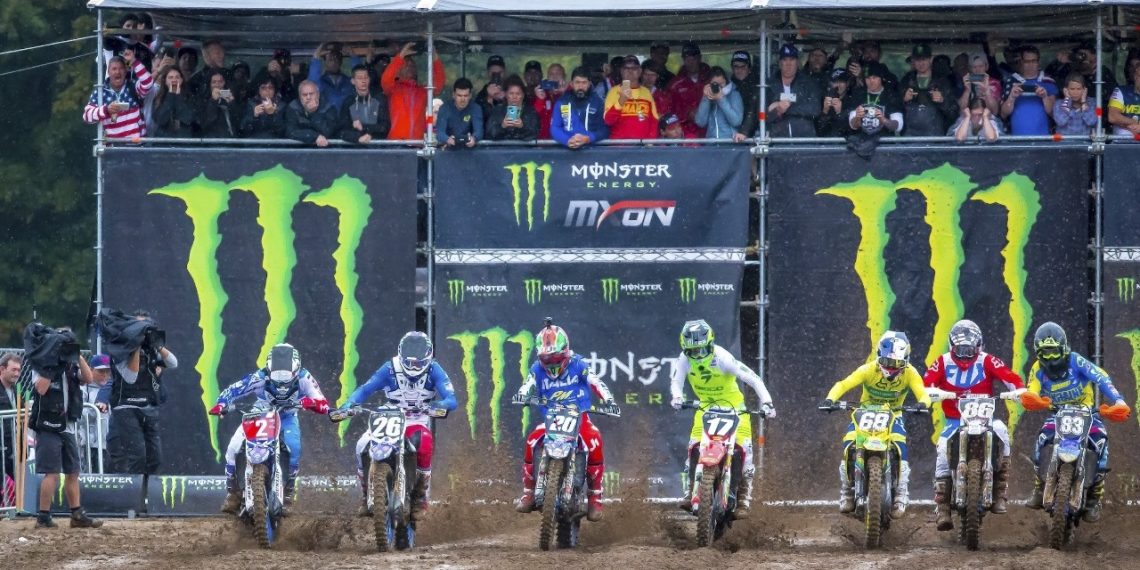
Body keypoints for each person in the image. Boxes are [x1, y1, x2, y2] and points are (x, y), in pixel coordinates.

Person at [338, 332, 457, 519]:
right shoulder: (389, 368)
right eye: (409, 363)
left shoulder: (435, 370)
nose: (413, 367)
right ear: (401, 355)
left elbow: (451, 399)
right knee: (361, 445)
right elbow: (365, 389)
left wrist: (438, 405)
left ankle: (420, 497)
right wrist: (349, 405)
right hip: (390, 414)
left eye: (418, 364)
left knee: (424, 442)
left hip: (417, 418)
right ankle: (366, 494)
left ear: (427, 357)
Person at [1020, 322, 1130, 523]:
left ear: (1063, 348)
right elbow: (1032, 389)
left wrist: (1118, 401)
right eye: (1045, 353)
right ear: (1038, 352)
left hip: (1087, 413)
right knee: (1041, 440)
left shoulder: (1075, 360)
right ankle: (1038, 488)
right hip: (1057, 414)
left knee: (1101, 441)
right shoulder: (1037, 368)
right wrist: (1032, 398)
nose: (1050, 358)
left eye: (1054, 352)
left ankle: (1094, 498)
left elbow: (1101, 377)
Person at [923, 319, 1025, 531]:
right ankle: (942, 506)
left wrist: (1019, 391)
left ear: (978, 347)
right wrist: (932, 393)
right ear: (952, 346)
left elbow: (1010, 377)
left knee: (1002, 431)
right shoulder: (942, 362)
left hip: (985, 419)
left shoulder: (988, 360)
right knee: (942, 451)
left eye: (970, 350)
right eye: (960, 350)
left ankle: (1000, 489)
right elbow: (926, 384)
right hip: (954, 421)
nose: (965, 356)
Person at [670, 319, 775, 519]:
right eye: (693, 352)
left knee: (743, 450)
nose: (698, 355)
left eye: (702, 350)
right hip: (705, 407)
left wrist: (767, 403)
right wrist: (676, 397)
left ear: (710, 344)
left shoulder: (723, 357)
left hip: (735, 408)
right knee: (694, 447)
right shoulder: (684, 359)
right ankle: (691, 492)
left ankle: (743, 499)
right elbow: (676, 382)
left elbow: (753, 378)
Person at [513, 321, 616, 521]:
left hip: (579, 417)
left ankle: (595, 498)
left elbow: (596, 382)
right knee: (532, 440)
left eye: (555, 358)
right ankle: (529, 492)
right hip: (551, 419)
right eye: (546, 358)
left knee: (594, 440)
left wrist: (609, 400)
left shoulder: (579, 364)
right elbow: (528, 384)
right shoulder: (537, 368)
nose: (551, 362)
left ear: (566, 352)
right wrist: (522, 395)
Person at [820, 331, 930, 518]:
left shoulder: (910, 372)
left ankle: (901, 493)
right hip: (865, 412)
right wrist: (830, 399)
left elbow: (923, 393)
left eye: (897, 363)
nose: (891, 368)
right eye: (887, 362)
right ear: (879, 357)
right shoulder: (868, 370)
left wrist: (922, 404)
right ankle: (846, 491)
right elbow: (843, 384)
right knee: (849, 443)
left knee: (900, 446)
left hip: (894, 414)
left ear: (906, 361)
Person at [210, 343, 329, 514]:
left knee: (294, 449)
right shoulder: (259, 377)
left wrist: (310, 402)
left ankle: (288, 495)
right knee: (233, 448)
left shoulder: (305, 378)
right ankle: (232, 493)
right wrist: (221, 404)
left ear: (296, 371)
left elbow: (324, 404)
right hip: (260, 413)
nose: (281, 383)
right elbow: (233, 390)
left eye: (286, 377)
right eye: (276, 376)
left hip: (287, 416)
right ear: (268, 369)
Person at [26, 325, 102, 528]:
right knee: (51, 472)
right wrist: (53, 362)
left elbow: (89, 378)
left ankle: (77, 514)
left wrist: (76, 355)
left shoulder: (71, 365)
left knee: (73, 471)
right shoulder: (42, 364)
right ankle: (43, 516)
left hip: (67, 425)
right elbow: (41, 389)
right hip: (48, 425)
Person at [96, 312, 177, 477]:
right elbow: (131, 377)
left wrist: (157, 345)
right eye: (138, 328)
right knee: (137, 456)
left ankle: (148, 490)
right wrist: (136, 346)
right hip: (126, 407)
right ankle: (135, 491)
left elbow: (173, 363)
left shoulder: (151, 350)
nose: (142, 332)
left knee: (155, 458)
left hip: (148, 406)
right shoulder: (120, 351)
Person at [381, 42, 446, 140]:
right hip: (396, 143)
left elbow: (439, 85)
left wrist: (435, 58)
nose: (410, 67)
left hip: (416, 144)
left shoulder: (422, 91)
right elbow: (385, 79)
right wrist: (401, 55)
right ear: (398, 71)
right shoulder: (393, 89)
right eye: (406, 65)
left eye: (412, 65)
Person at [83, 52, 153, 140]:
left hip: (136, 143)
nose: (118, 72)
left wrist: (134, 62)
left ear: (125, 71)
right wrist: (106, 110)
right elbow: (87, 116)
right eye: (114, 69)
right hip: (112, 145)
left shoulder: (133, 86)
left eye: (121, 68)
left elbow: (148, 83)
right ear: (108, 72)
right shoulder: (100, 92)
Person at [899, 44, 958, 136]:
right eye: (917, 60)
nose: (921, 63)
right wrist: (904, 99)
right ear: (913, 61)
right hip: (910, 136)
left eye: (924, 59)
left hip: (935, 135)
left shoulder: (942, 81)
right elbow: (894, 109)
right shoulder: (906, 80)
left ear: (930, 59)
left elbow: (954, 113)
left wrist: (942, 101)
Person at [765, 44, 822, 138]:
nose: (788, 64)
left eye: (792, 59)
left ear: (797, 62)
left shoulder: (809, 82)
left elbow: (815, 109)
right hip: (777, 138)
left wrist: (784, 108)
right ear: (780, 63)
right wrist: (776, 111)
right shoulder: (768, 84)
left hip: (805, 138)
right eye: (785, 60)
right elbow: (763, 115)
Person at [1000, 45, 1057, 136]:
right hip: (1017, 138)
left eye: (1034, 61)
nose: (1031, 65)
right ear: (1021, 62)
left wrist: (1045, 97)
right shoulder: (1011, 81)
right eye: (1027, 61)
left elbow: (1054, 114)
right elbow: (1003, 114)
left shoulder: (1047, 81)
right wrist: (1012, 97)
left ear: (1038, 62)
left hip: (1043, 138)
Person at [603, 55, 660, 140]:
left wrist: (650, 142)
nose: (630, 71)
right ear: (621, 71)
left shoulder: (646, 92)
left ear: (640, 71)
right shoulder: (613, 92)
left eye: (634, 68)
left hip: (642, 146)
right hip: (619, 146)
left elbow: (654, 121)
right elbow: (608, 121)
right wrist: (621, 101)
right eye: (626, 68)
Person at [551, 67, 608, 149]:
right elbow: (555, 127)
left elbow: (604, 130)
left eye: (584, 83)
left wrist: (588, 138)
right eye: (577, 82)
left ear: (589, 84)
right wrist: (567, 140)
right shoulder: (562, 101)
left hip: (591, 151)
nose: (580, 86)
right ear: (571, 84)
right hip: (566, 151)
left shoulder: (598, 102)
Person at [667, 42, 711, 138]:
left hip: (710, 131)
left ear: (700, 58)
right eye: (687, 59)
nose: (691, 63)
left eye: (694, 59)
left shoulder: (710, 79)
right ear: (683, 60)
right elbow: (670, 110)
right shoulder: (675, 85)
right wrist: (687, 114)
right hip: (686, 134)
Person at [848, 62, 904, 136]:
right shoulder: (858, 95)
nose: (871, 81)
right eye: (868, 78)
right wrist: (857, 118)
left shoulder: (892, 96)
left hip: (884, 140)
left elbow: (898, 126)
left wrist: (884, 120)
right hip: (862, 140)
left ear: (882, 78)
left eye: (874, 77)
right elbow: (853, 126)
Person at [339, 64, 390, 144]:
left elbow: (385, 127)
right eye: (359, 78)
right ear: (353, 81)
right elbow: (342, 131)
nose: (363, 81)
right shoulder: (348, 102)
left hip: (377, 147)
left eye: (366, 77)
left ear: (369, 79)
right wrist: (358, 138)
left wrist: (364, 127)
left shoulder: (379, 99)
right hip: (355, 148)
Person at [79, 355, 112, 473]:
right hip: (92, 445)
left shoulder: (113, 388)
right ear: (91, 370)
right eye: (101, 371)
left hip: (111, 443)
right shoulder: (83, 388)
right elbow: (79, 415)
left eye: (107, 371)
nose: (105, 375)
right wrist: (95, 409)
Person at [286, 80, 339, 147]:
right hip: (299, 148)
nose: (308, 97)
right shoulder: (293, 107)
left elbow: (328, 132)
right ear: (299, 97)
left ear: (318, 94)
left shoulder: (328, 107)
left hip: (324, 148)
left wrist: (313, 113)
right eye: (304, 95)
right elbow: (291, 132)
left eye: (311, 94)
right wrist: (314, 136)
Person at [695, 66, 743, 140]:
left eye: (721, 84)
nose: (719, 88)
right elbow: (700, 122)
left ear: (726, 81)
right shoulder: (708, 96)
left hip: (730, 142)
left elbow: (736, 121)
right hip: (711, 142)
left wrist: (721, 99)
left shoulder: (734, 94)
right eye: (715, 85)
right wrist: (706, 97)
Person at [486, 75, 539, 141]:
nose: (514, 97)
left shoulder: (530, 112)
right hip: (502, 147)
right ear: (505, 94)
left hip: (523, 147)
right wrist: (502, 127)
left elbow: (534, 135)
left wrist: (522, 127)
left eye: (518, 94)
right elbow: (489, 134)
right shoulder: (497, 111)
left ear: (523, 95)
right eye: (511, 93)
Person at [436, 77, 483, 149]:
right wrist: (447, 139)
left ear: (470, 96)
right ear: (453, 95)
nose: (462, 99)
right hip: (448, 150)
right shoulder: (444, 108)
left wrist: (474, 138)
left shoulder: (476, 108)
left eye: (465, 96)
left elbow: (479, 130)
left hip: (470, 151)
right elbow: (440, 132)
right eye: (459, 95)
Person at [150, 66, 196, 138]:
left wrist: (178, 96)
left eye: (177, 77)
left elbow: (188, 118)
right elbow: (161, 120)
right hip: (163, 141)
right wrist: (170, 95)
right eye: (170, 77)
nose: (174, 80)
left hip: (184, 140)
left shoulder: (189, 97)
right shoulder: (159, 98)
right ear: (165, 81)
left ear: (181, 80)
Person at [308, 43, 356, 110]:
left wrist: (353, 55)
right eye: (330, 59)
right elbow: (312, 83)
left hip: (347, 116)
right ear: (325, 62)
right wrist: (316, 56)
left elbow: (359, 76)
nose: (334, 62)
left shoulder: (349, 82)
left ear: (341, 61)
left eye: (337, 59)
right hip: (326, 116)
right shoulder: (321, 83)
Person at [958, 53, 1002, 119]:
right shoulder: (967, 82)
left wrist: (987, 91)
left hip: (988, 118)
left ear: (986, 67)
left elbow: (994, 112)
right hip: (970, 118)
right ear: (970, 68)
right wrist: (967, 90)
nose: (978, 70)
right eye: (974, 67)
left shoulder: (994, 83)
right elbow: (961, 111)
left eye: (981, 66)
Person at [1053, 73, 1097, 137]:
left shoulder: (1092, 102)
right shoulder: (1058, 103)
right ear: (1066, 90)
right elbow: (1061, 122)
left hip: (1085, 141)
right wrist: (1067, 101)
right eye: (1072, 89)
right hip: (1065, 141)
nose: (1075, 92)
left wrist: (1083, 102)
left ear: (1084, 90)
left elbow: (1091, 122)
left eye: (1079, 89)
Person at [187, 39, 231, 104]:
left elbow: (236, 100)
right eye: (217, 53)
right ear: (206, 57)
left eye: (222, 52)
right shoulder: (196, 81)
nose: (222, 55)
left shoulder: (230, 75)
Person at [197, 71, 238, 138]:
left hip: (230, 140)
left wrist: (232, 103)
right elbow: (205, 122)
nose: (217, 85)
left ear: (225, 83)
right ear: (209, 85)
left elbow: (238, 121)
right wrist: (213, 101)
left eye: (220, 82)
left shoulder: (230, 98)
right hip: (211, 140)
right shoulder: (203, 101)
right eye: (214, 82)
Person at [729, 50, 759, 141]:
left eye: (743, 67)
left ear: (749, 69)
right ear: (732, 68)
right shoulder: (728, 86)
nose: (739, 70)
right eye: (736, 66)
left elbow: (753, 111)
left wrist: (744, 131)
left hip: (752, 135)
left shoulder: (757, 86)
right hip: (730, 134)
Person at [532, 63, 567, 139]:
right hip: (544, 141)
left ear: (564, 77)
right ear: (547, 78)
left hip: (564, 140)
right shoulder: (541, 93)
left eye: (558, 73)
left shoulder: (570, 93)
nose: (554, 76)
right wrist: (540, 100)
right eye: (551, 74)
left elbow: (569, 116)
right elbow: (534, 117)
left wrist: (564, 95)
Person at [816, 69, 854, 137]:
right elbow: (819, 131)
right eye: (835, 81)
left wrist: (839, 114)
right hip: (826, 141)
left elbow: (850, 130)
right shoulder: (824, 100)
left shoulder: (852, 101)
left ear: (847, 83)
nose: (838, 85)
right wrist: (824, 112)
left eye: (841, 82)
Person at [1108, 64, 1140, 139]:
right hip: (1123, 140)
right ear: (1135, 76)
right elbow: (1112, 116)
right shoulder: (1121, 91)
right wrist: (1134, 123)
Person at [476, 54, 508, 120]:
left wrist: (506, 99)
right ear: (488, 73)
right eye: (494, 74)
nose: (496, 77)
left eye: (499, 73)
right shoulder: (482, 95)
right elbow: (478, 116)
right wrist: (489, 98)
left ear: (504, 72)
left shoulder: (511, 90)